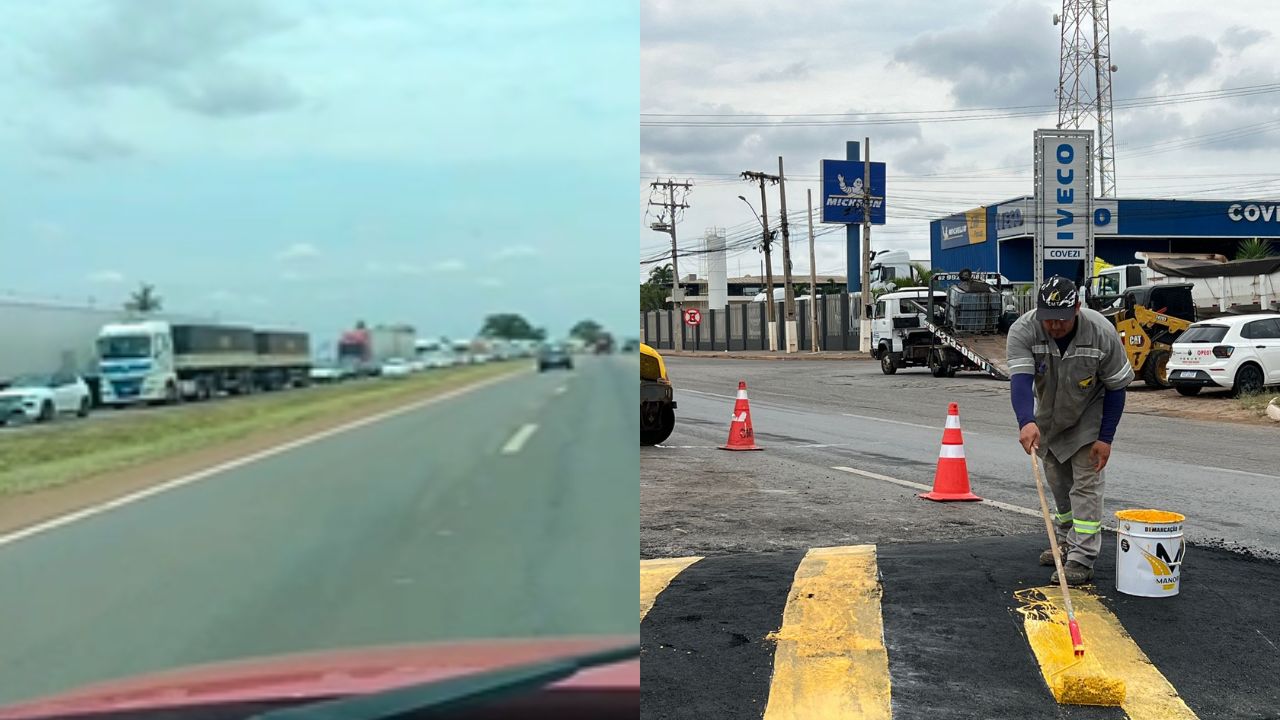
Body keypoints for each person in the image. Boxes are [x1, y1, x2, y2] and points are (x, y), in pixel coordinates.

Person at [1006, 276, 1134, 585]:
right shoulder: (1023, 331)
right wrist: (1026, 421)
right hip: (1049, 418)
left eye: (1061, 320)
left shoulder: (1101, 332)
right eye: (1047, 319)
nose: (1054, 326)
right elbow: (1021, 381)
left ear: (1077, 308)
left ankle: (1082, 557)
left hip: (1090, 414)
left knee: (1085, 484)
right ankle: (1063, 539)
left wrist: (1105, 438)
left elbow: (1117, 388)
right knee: (1058, 484)